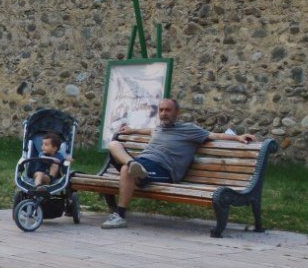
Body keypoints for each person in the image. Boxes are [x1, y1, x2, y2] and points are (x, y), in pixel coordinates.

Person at [102, 97, 257, 229]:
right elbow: (149, 131)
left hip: (163, 169)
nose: (163, 113)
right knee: (114, 145)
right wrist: (132, 130)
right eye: (161, 110)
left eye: (168, 110)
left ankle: (120, 215)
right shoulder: (158, 128)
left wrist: (238, 137)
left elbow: (214, 135)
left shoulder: (189, 130)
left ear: (177, 113)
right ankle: (133, 165)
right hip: (141, 162)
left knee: (126, 170)